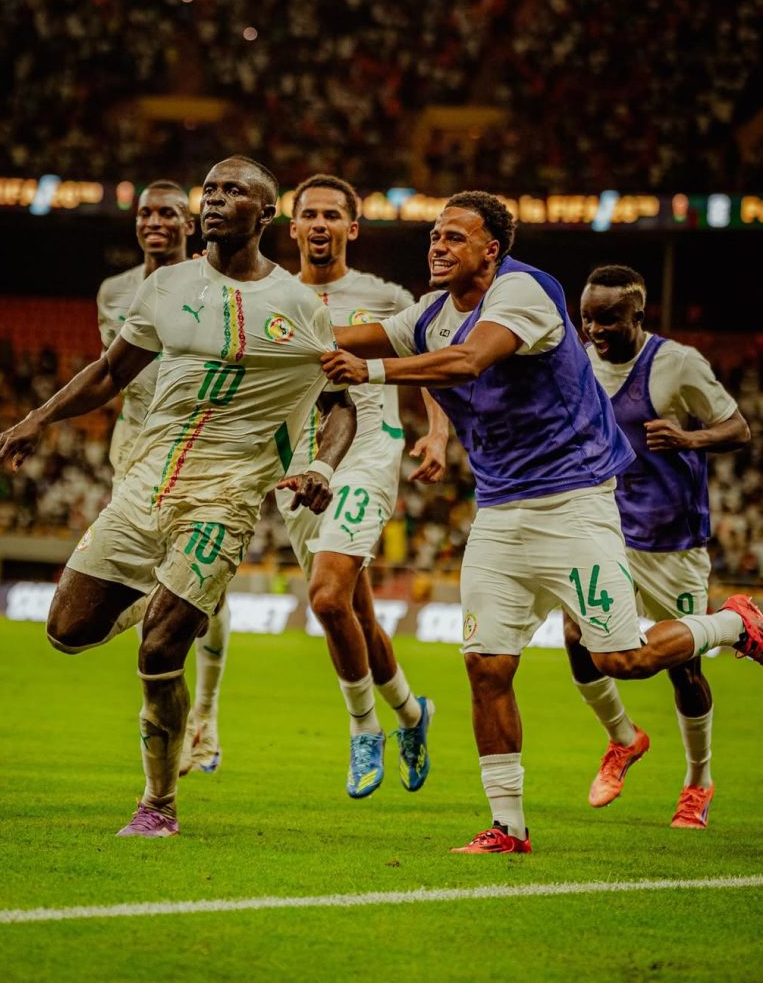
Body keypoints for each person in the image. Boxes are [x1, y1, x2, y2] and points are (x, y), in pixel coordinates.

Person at [322, 190, 763, 854]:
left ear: (491, 249)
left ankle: (735, 622)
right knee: (486, 666)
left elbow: (469, 360)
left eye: (454, 237)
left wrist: (371, 371)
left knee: (620, 657)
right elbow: (345, 337)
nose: (437, 246)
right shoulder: (431, 314)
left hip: (572, 501)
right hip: (499, 511)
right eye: (434, 235)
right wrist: (264, 337)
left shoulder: (524, 291)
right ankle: (508, 827)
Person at [0, 155, 357, 838]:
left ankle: (157, 804)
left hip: (224, 498)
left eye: (231, 191)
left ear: (265, 214)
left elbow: (340, 403)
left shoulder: (300, 306)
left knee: (158, 652)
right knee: (66, 632)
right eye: (208, 189)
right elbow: (110, 373)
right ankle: (171, 598)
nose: (212, 200)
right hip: (143, 486)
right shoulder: (166, 287)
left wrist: (322, 468)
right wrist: (37, 419)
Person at [279, 174, 448, 797]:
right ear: (293, 228)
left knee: (327, 599)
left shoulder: (384, 296)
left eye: (332, 215)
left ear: (352, 228)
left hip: (369, 451)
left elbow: (426, 362)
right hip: (295, 465)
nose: (320, 224)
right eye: (310, 215)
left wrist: (438, 432)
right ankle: (411, 712)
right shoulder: (271, 295)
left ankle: (362, 728)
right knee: (357, 613)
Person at [563, 264, 750, 828]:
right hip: (608, 531)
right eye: (587, 318)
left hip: (673, 541)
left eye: (607, 319)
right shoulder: (581, 362)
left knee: (684, 672)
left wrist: (690, 437)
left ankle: (698, 781)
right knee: (576, 635)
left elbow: (738, 428)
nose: (594, 329)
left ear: (638, 315)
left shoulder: (678, 364)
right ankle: (622, 738)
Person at [97, 179, 229, 775]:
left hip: (200, 446)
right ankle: (162, 713)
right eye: (146, 213)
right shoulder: (114, 292)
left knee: (206, 592)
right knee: (149, 582)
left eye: (169, 213)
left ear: (189, 223)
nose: (155, 222)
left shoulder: (213, 283)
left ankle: (206, 713)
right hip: (135, 449)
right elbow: (116, 371)